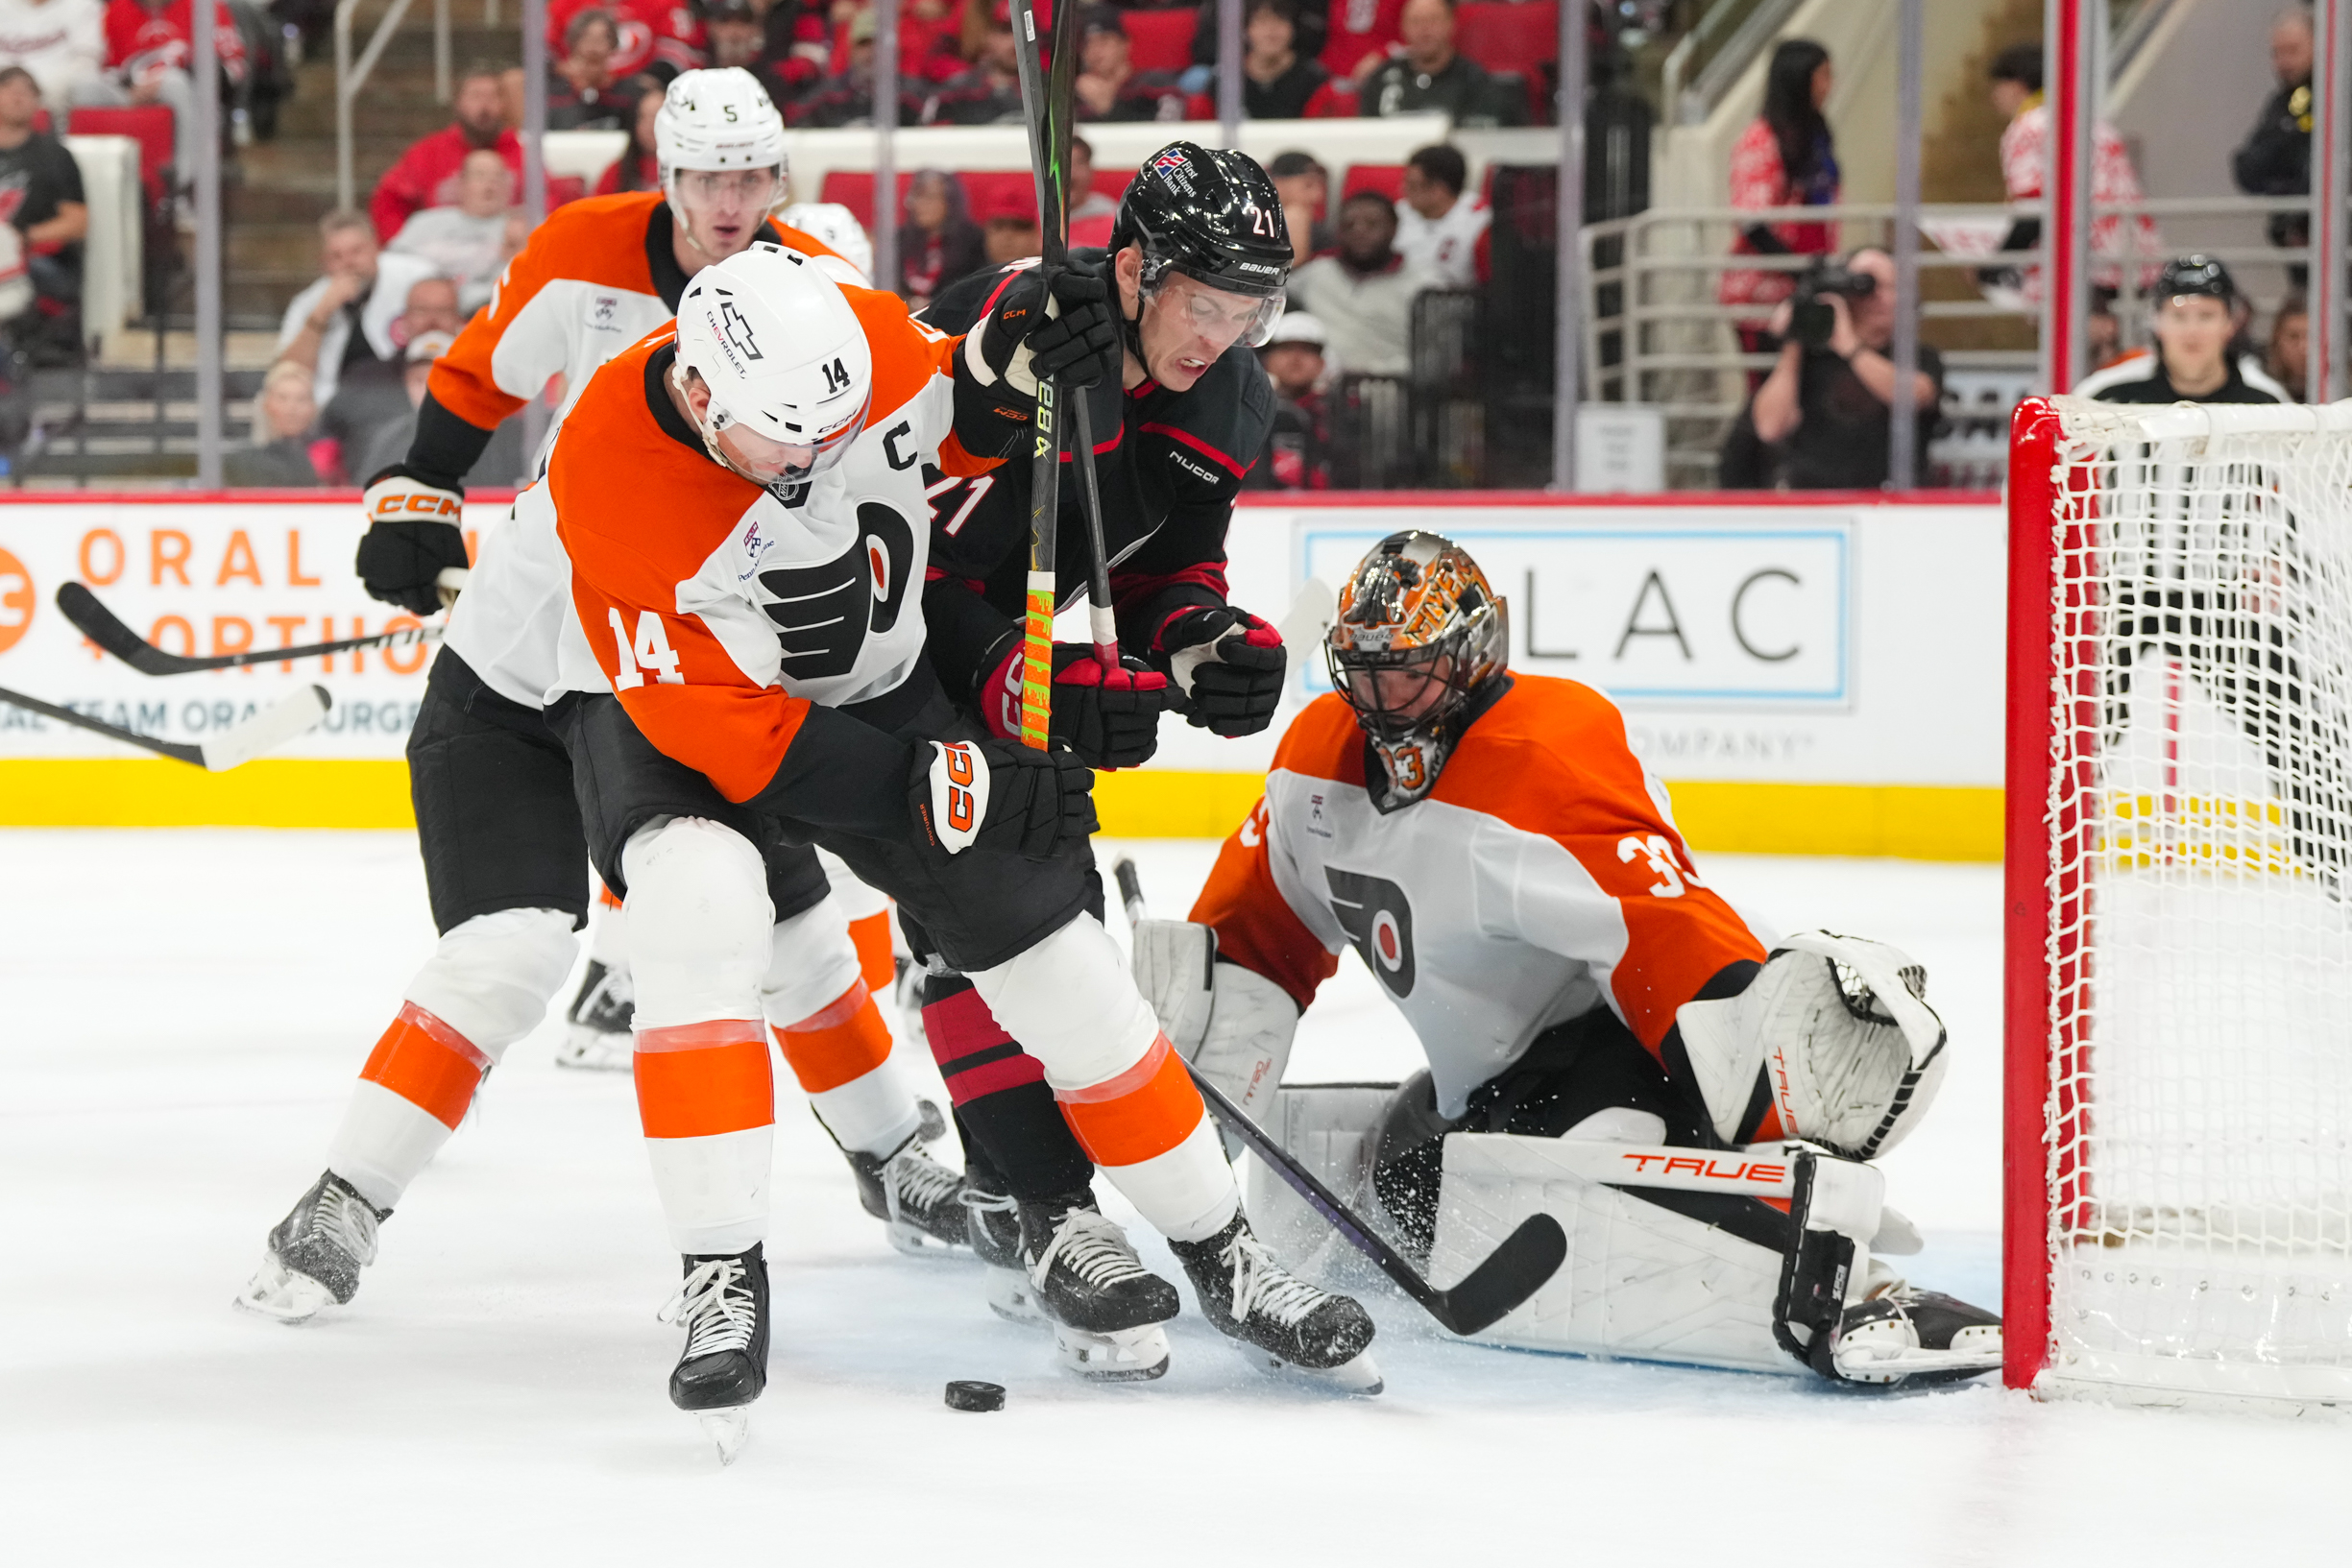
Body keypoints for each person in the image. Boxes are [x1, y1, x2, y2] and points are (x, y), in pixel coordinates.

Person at [533, 243, 1370, 1442]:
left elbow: (957, 423)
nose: (814, 461)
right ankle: (720, 1271)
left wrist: (1023, 345)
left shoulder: (842, 344)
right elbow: (745, 744)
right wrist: (932, 775)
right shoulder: (612, 475)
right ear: (703, 395)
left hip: (880, 675)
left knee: (1057, 958)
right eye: (786, 441)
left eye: (830, 431)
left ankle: (1221, 1251)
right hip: (687, 719)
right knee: (702, 913)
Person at [242, 75, 977, 1355]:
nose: (734, 205)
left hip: (654, 684)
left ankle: (888, 1153)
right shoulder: (616, 400)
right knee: (512, 953)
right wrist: (420, 486)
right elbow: (484, 389)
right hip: (521, 687)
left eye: (758, 180)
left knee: (789, 925)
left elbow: (930, 390)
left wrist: (1028, 348)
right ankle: (345, 1192)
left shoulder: (789, 339)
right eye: (711, 179)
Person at [1133, 529, 2002, 1388]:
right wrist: (1182, 1123)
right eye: (1362, 672)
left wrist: (1780, 1139)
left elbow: (1671, 943)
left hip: (1627, 1066)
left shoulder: (1545, 755)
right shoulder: (1313, 764)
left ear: (1472, 657)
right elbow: (1254, 942)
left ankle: (1848, 1291)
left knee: (1592, 1157)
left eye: (1407, 672)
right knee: (1410, 1191)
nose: (1381, 698)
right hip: (1493, 1082)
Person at [916, 144, 1313, 1346]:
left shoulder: (1234, 393)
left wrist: (1201, 644)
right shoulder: (1027, 322)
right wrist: (1020, 675)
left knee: (1021, 910)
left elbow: (1168, 569)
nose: (1228, 333)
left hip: (1018, 664)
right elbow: (897, 559)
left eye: (1254, 308)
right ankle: (1045, 1207)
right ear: (1134, 269)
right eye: (1207, 302)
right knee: (1016, 895)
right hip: (898, 646)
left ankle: (1016, 1189)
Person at [1747, 245, 1941, 490]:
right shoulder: (1811, 357)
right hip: (1815, 501)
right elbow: (1770, 427)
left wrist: (1849, 344)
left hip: (1891, 502)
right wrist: (1796, 338)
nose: (1876, 297)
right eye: (1865, 286)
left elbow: (1913, 396)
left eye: (1888, 287)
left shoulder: (1919, 357)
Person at [1984, 42, 2159, 308]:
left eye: (1997, 86)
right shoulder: (2092, 122)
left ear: (2017, 86)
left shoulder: (2026, 130)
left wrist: (1995, 264)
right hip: (2137, 260)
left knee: (2069, 345)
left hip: (2082, 266)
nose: (1994, 96)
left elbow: (2035, 211)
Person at [1720, 37, 1836, 361]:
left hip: (1810, 287)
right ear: (1800, 80)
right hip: (1764, 295)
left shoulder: (1816, 136)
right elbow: (1751, 221)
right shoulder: (1761, 140)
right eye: (1823, 76)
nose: (1830, 86)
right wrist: (1799, 270)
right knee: (1770, 393)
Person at [274, 209, 442, 410]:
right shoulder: (310, 302)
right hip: (335, 407)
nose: (348, 263)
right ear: (324, 262)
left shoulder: (415, 277)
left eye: (356, 251)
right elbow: (288, 372)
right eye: (336, 256)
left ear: (376, 248)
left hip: (405, 399)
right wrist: (321, 315)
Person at [2074, 255, 2290, 404]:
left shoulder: (2267, 401)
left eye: (2206, 316)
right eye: (2178, 316)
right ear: (2156, 322)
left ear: (2231, 323)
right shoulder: (2104, 396)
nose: (2192, 330)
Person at [75, 0, 243, 188]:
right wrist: (133, 90)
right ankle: (85, 186)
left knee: (174, 83)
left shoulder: (207, 7)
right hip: (130, 92)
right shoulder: (116, 9)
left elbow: (234, 68)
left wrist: (183, 76)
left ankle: (185, 185)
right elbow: (108, 67)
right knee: (86, 88)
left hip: (190, 94)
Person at [316, 275, 466, 483]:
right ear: (403, 320)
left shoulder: (486, 381)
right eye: (422, 310)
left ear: (460, 320)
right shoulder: (366, 379)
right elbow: (325, 443)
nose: (433, 321)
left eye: (443, 311)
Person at [1286, 189, 1433, 379]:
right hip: (1320, 388)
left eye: (1372, 224)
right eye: (1349, 225)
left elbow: (1435, 357)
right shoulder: (1316, 273)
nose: (1359, 231)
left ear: (1394, 228)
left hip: (1392, 388)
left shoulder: (1424, 285)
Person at [370, 67, 524, 244]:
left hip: (505, 257)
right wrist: (406, 246)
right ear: (458, 102)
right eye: (476, 96)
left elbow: (549, 199)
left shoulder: (522, 152)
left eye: (492, 97)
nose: (485, 106)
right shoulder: (428, 153)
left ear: (504, 104)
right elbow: (388, 199)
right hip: (443, 258)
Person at [0, 63, 85, 354]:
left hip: (38, 259)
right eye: (10, 90)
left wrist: (23, 238)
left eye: (27, 92)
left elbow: (77, 222)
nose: (18, 98)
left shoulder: (55, 155)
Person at [2232, 4, 2316, 274]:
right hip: (2298, 250)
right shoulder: (2284, 102)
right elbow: (2248, 169)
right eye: (2277, 53)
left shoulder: (2333, 98)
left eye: (2293, 50)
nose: (2284, 62)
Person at [387, 147, 520, 312]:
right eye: (480, 176)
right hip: (425, 315)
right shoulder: (425, 223)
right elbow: (391, 268)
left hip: (487, 314)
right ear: (461, 183)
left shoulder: (519, 229)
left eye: (497, 177)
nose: (490, 185)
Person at [1362, 0, 1522, 128]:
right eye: (1416, 21)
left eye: (1433, 20)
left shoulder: (1475, 81)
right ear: (1403, 27)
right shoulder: (1381, 80)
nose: (1424, 30)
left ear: (1451, 24)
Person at [1249, 309, 1330, 491]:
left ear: (1322, 363)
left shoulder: (1340, 411)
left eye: (1307, 351)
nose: (1296, 359)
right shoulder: (1249, 406)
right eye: (1286, 349)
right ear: (1267, 360)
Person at [1394, 142, 1487, 291]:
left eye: (1412, 185)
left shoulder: (1480, 223)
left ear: (1439, 190)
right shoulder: (1398, 213)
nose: (1403, 190)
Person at [1073, 5, 1184, 123]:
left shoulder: (1155, 87)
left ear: (1125, 44)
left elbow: (1166, 133)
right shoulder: (1076, 94)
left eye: (1104, 41)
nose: (1095, 51)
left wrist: (1109, 108)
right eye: (1088, 44)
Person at [225, 360, 323, 487]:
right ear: (267, 405)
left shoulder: (329, 461)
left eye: (301, 399)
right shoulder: (242, 463)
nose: (291, 409)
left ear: (314, 408)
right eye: (282, 398)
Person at [895, 167, 983, 308]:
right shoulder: (899, 240)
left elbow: (975, 289)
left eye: (929, 197)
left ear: (950, 201)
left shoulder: (972, 241)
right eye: (916, 196)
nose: (919, 204)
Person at [922, 7, 1022, 126]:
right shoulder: (954, 95)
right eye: (1005, 31)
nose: (1014, 41)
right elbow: (929, 139)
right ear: (986, 35)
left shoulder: (1044, 93)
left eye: (1022, 32)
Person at [1230, 0, 1325, 120]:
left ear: (1292, 28)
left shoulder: (1315, 82)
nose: (1271, 31)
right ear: (1246, 29)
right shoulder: (1226, 81)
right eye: (1262, 21)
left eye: (1280, 20)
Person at [0, 0, 103, 109]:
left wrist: (35, 92)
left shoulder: (82, 5)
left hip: (59, 105)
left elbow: (86, 66)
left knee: (88, 90)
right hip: (4, 91)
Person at [546, 8, 628, 130]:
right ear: (573, 44)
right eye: (587, 39)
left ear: (613, 47)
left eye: (601, 39)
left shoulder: (625, 94)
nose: (594, 48)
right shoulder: (551, 91)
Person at [594, 75, 665, 193]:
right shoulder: (618, 171)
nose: (649, 126)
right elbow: (595, 208)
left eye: (656, 117)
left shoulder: (691, 172)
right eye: (642, 117)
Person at [1267, 149, 1330, 267]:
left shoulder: (1322, 234)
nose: (1318, 196)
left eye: (1321, 185)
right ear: (1277, 184)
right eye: (1308, 185)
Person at [974, 181, 1038, 267]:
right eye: (998, 226)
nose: (1007, 236)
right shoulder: (967, 278)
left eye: (1020, 226)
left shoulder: (1056, 278)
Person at [2266, 290, 2308, 398]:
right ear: (2277, 340)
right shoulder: (2262, 387)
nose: (2304, 347)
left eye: (2313, 337)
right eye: (2293, 337)